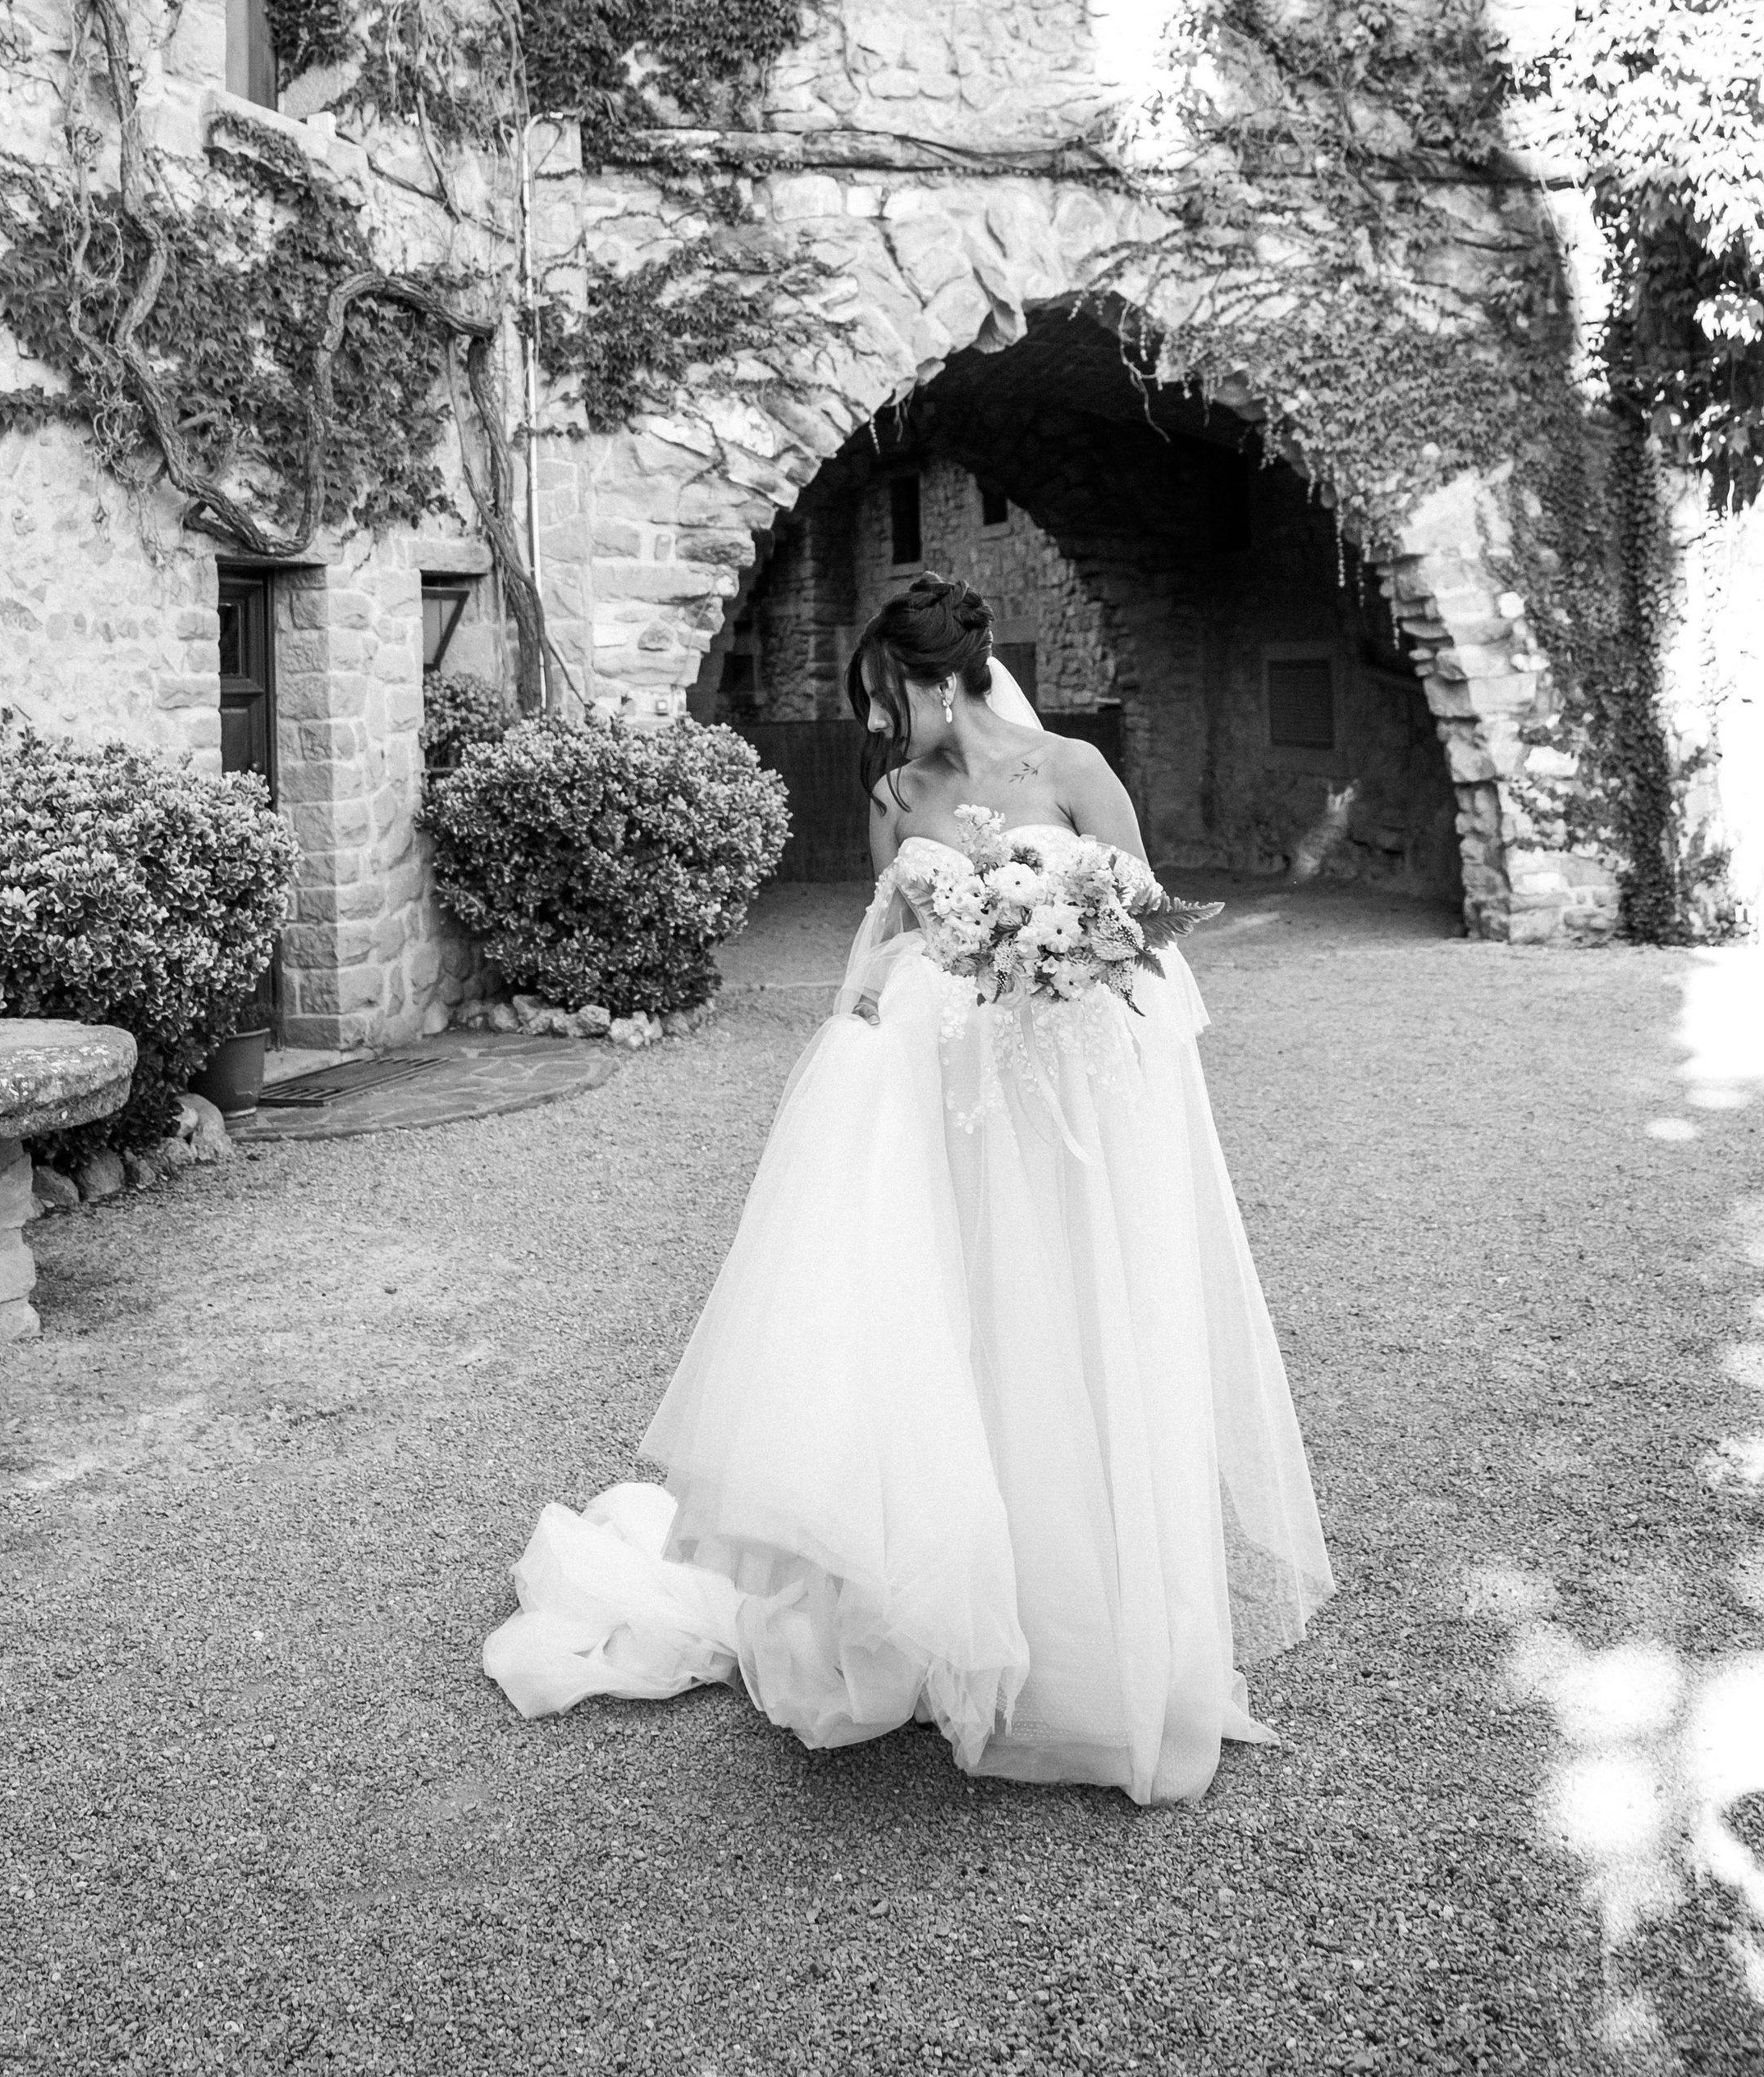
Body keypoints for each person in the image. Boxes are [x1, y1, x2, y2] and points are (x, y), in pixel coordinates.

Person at [482, 574, 1333, 1802]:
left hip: (1062, 1102)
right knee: (959, 1323)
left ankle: (1090, 1633)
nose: (887, 726)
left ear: (940, 682)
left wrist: (1068, 945)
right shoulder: (901, 796)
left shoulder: (1073, 771)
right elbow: (884, 939)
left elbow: (1155, 929)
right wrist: (886, 1001)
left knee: (1067, 1334)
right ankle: (953, 1609)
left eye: (891, 697)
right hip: (949, 1098)